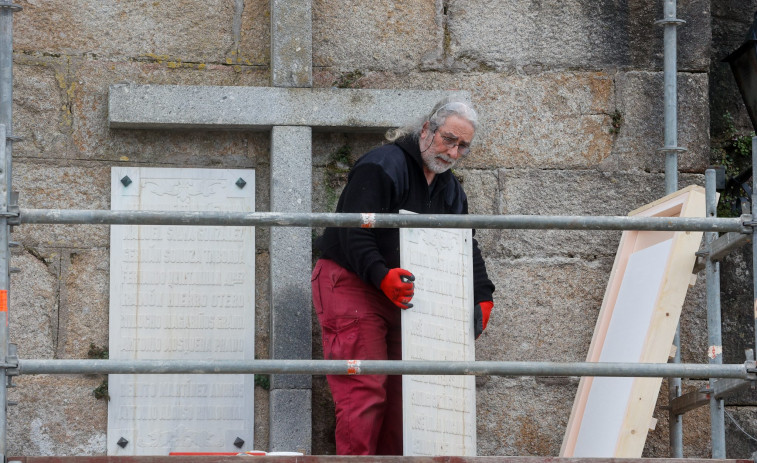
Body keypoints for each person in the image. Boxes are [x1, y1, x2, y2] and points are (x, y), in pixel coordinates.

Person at [311, 98, 496, 455]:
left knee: (407, 395)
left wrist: (482, 293)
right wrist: (380, 276)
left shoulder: (450, 189)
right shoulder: (382, 165)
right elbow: (354, 231)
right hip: (353, 283)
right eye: (448, 139)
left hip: (401, 291)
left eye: (463, 147)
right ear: (426, 128)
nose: (453, 153)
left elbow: (463, 243)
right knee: (364, 389)